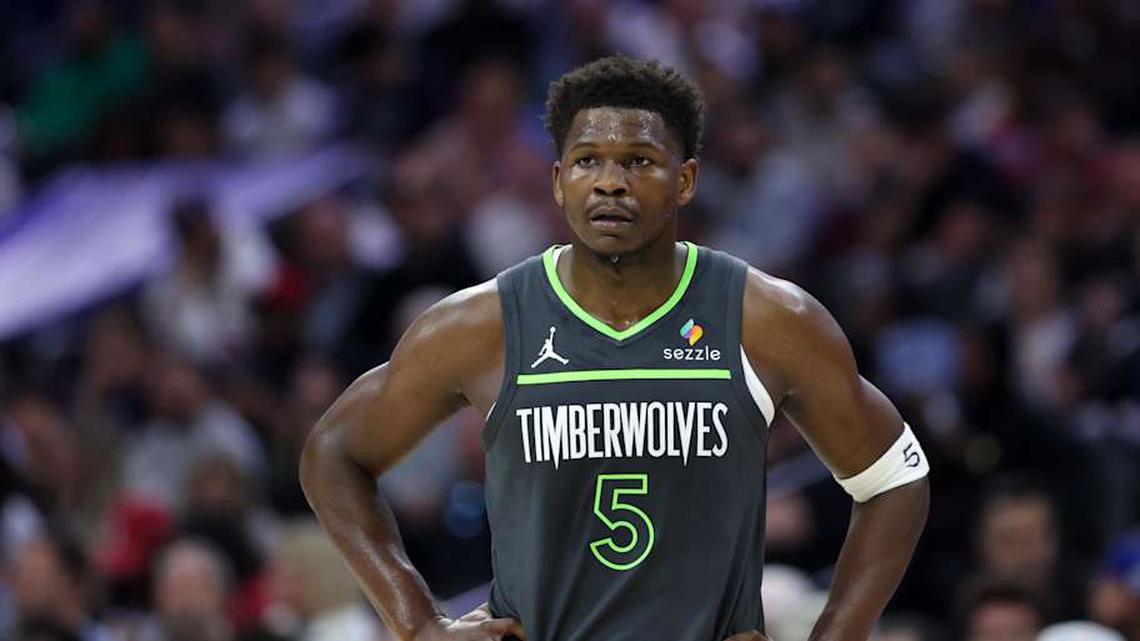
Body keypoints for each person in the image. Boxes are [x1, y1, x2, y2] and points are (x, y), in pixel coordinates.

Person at [300, 56, 930, 641]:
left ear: (684, 182)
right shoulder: (481, 324)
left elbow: (896, 478)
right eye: (587, 161)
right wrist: (417, 624)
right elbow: (333, 453)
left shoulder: (765, 318)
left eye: (637, 161)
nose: (609, 184)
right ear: (556, 180)